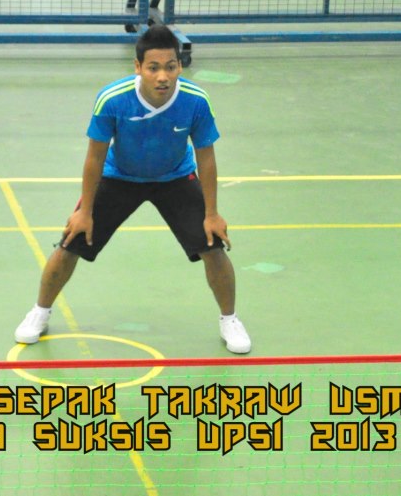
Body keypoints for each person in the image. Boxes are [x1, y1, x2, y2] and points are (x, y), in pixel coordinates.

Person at [13, 25, 251, 354]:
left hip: (175, 177)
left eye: (170, 66)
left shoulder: (195, 101)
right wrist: (85, 212)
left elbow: (206, 158)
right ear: (138, 67)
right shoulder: (113, 99)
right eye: (153, 67)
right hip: (119, 176)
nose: (163, 76)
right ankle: (40, 312)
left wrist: (212, 214)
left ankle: (230, 319)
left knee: (213, 246)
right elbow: (94, 157)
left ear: (179, 67)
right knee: (71, 242)